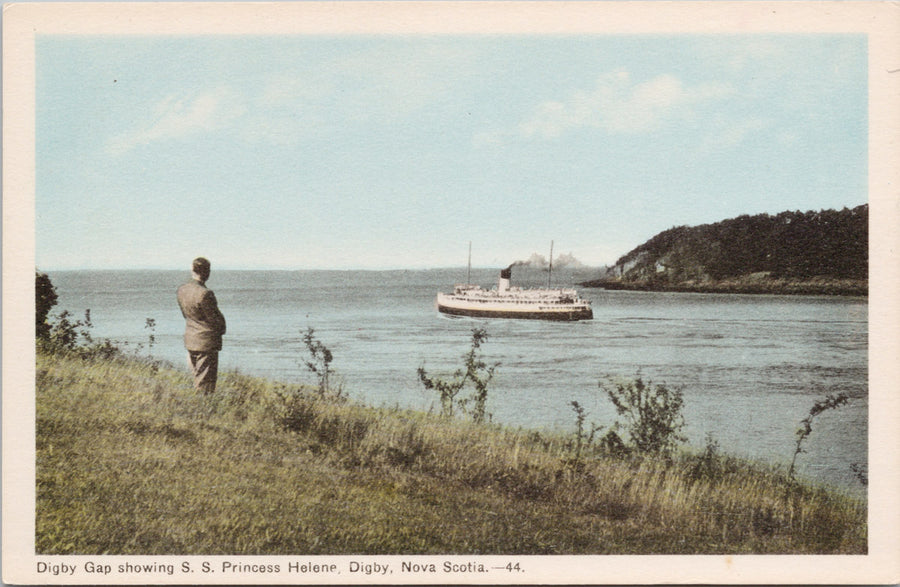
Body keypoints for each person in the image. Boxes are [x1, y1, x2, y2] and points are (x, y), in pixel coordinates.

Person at [176, 257, 227, 394]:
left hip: (190, 338)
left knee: (197, 378)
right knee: (205, 384)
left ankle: (199, 407)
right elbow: (214, 319)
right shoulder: (205, 293)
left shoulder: (182, 290)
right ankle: (203, 410)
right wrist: (222, 328)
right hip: (206, 342)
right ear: (207, 272)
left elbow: (185, 314)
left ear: (192, 270)